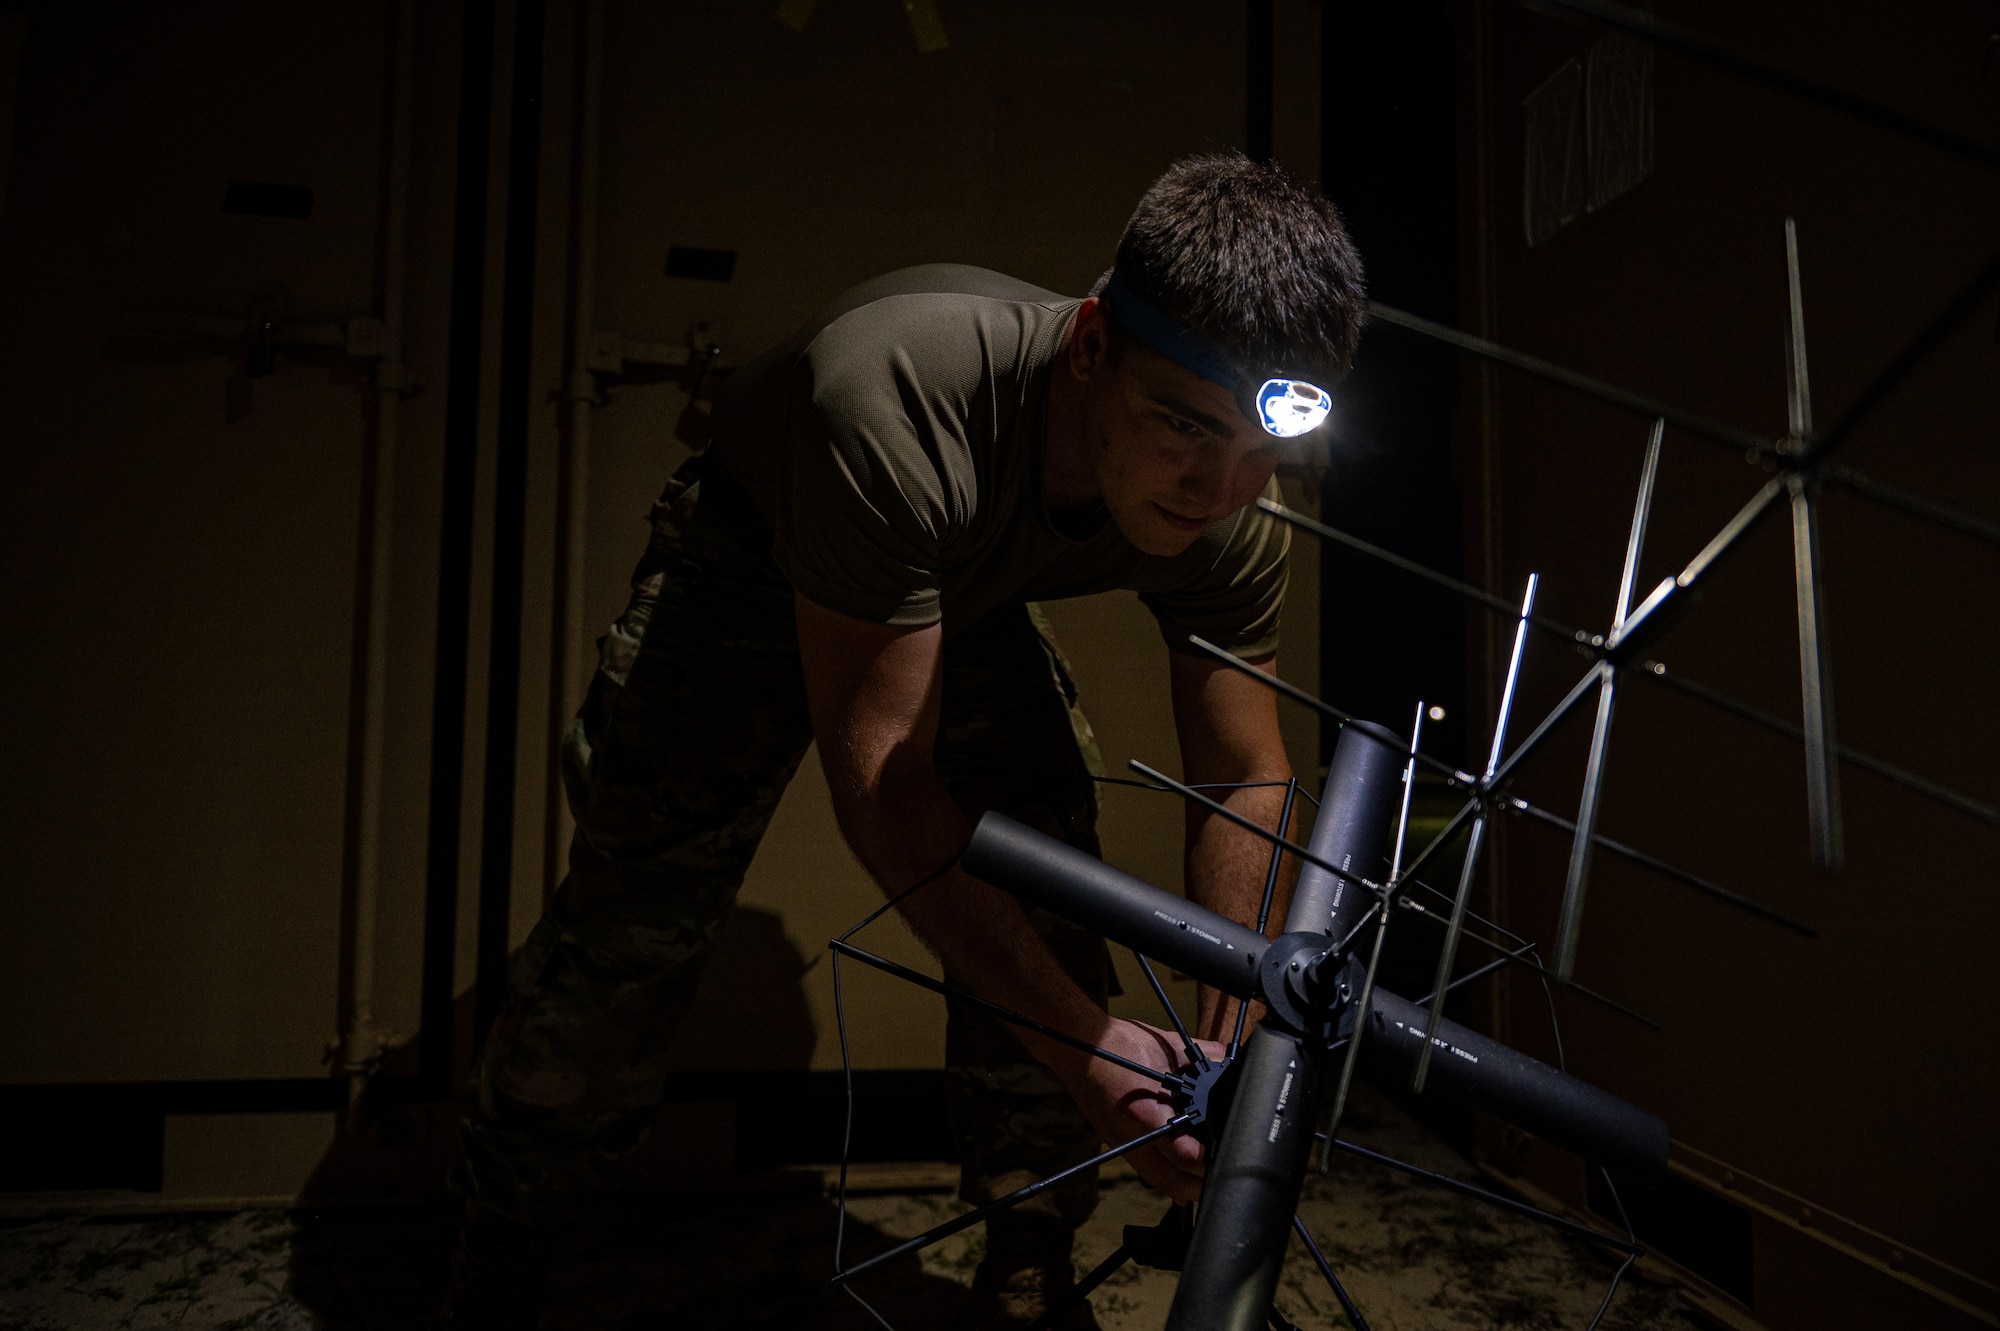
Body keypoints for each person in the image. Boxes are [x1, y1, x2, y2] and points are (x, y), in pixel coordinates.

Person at [441, 151, 1366, 1329]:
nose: (1217, 486)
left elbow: (1242, 769)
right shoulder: (894, 402)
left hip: (949, 589)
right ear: (1090, 346)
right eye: (1182, 427)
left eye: (1258, 451)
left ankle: (1028, 1256)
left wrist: (1228, 1040)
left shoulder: (1235, 509)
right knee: (633, 921)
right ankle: (501, 1263)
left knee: (1042, 876)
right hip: (754, 549)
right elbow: (885, 786)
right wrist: (1090, 1056)